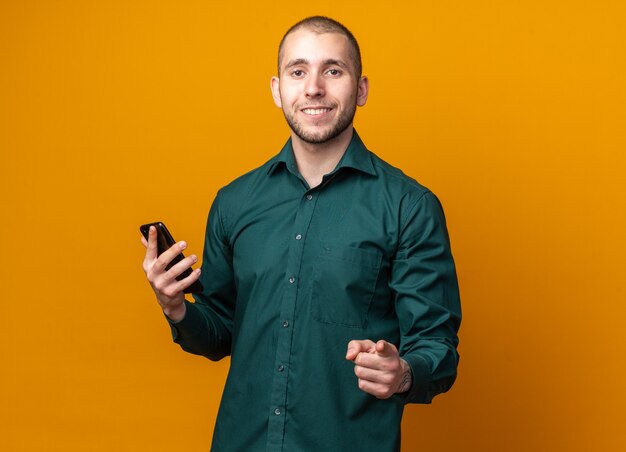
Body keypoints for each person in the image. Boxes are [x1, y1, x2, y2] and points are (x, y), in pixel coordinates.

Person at [141, 15, 461, 452]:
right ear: (277, 90)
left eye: (333, 70)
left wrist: (403, 372)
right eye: (298, 71)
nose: (314, 87)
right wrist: (176, 306)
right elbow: (220, 333)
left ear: (361, 89)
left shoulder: (409, 206)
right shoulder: (234, 202)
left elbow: (436, 346)